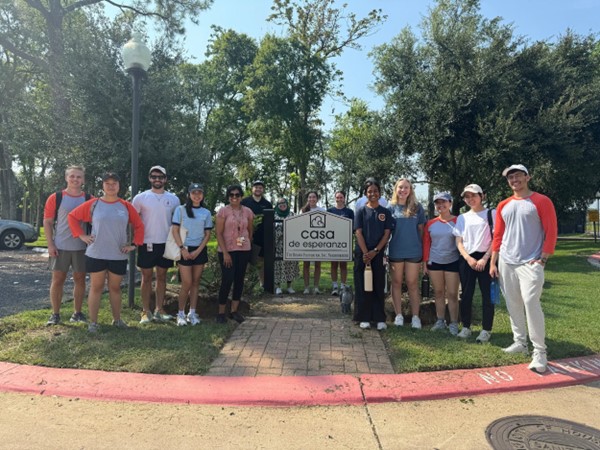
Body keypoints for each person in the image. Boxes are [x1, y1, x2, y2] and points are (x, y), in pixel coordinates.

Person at [490, 164, 557, 373]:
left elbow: (551, 231)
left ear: (528, 177)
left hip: (531, 262)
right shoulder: (504, 205)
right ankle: (520, 342)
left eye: (518, 176)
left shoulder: (541, 201)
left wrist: (543, 259)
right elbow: (498, 235)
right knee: (513, 303)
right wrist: (493, 261)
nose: (514, 180)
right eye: (510, 178)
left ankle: (540, 352)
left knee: (531, 303)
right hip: (507, 261)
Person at [68, 172, 144, 333]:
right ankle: (93, 322)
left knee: (115, 288)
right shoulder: (93, 204)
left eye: (114, 183)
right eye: (107, 183)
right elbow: (72, 217)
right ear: (102, 185)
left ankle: (117, 320)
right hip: (96, 253)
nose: (111, 186)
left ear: (119, 186)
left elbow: (139, 225)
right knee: (96, 287)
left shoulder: (125, 205)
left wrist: (134, 245)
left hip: (117, 254)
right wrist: (81, 235)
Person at [43, 165, 91, 325]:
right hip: (60, 246)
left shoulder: (89, 198)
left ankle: (77, 313)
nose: (75, 179)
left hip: (82, 247)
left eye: (78, 177)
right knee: (57, 279)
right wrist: (50, 245)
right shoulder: (55, 197)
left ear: (83, 180)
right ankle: (55, 314)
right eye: (72, 176)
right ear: (66, 178)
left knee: (80, 279)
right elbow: (48, 222)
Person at [132, 165, 180, 324]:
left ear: (165, 179)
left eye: (160, 177)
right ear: (149, 178)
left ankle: (160, 309)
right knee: (146, 277)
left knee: (161, 276)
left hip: (166, 244)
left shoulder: (174, 199)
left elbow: (178, 222)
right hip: (147, 243)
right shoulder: (140, 198)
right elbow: (133, 221)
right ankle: (145, 311)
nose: (157, 179)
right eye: (154, 176)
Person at [453, 184, 496, 343]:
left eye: (474, 196)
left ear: (482, 196)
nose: (470, 199)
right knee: (466, 294)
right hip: (467, 259)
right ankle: (466, 327)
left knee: (487, 296)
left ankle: (486, 329)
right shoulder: (462, 217)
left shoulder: (492, 213)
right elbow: (459, 241)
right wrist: (468, 258)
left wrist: (485, 258)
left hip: (487, 258)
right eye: (467, 196)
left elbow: (496, 239)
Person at [354, 179, 394, 330]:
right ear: (365, 194)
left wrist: (375, 251)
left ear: (380, 193)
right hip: (362, 255)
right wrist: (366, 253)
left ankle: (379, 318)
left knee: (378, 285)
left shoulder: (385, 212)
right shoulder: (360, 211)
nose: (373, 194)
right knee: (363, 285)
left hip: (378, 254)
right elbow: (358, 233)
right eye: (369, 191)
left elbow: (386, 234)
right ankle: (363, 317)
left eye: (375, 191)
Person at [171, 183, 213, 326]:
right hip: (184, 248)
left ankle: (192, 313)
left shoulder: (206, 213)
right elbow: (175, 230)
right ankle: (180, 313)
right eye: (194, 193)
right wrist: (183, 249)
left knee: (195, 283)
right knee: (186, 283)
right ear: (189, 194)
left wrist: (198, 251)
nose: (197, 195)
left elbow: (207, 235)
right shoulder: (180, 210)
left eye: (199, 192)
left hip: (199, 250)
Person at [387, 178, 427, 329]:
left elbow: (422, 231)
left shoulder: (417, 208)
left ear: (410, 190)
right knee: (396, 283)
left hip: (414, 252)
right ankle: (398, 315)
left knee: (412, 283)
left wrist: (424, 252)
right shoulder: (390, 208)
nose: (403, 190)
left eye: (406, 188)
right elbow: (386, 232)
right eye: (400, 187)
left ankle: (416, 317)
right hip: (396, 251)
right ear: (396, 189)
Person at [215, 184, 254, 324]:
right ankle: (220, 312)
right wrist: (225, 253)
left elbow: (250, 231)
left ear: (241, 196)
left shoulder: (248, 212)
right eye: (231, 195)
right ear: (228, 197)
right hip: (227, 251)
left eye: (237, 195)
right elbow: (218, 233)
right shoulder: (223, 212)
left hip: (243, 250)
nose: (234, 197)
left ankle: (234, 311)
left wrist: (247, 243)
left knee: (239, 280)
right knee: (227, 279)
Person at [423, 192, 460, 335]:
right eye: (437, 203)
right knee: (438, 292)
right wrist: (425, 262)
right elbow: (427, 243)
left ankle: (454, 323)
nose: (441, 205)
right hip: (435, 261)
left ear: (450, 203)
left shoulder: (458, 221)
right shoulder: (431, 223)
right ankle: (440, 321)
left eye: (444, 202)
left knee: (452, 293)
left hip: (453, 261)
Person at [241, 180, 273, 287]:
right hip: (245, 236)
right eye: (256, 187)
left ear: (263, 190)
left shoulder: (267, 204)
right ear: (252, 189)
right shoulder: (244, 202)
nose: (258, 189)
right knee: (245, 261)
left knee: (261, 262)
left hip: (261, 238)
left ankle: (262, 285)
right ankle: (245, 286)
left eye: (260, 187)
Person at [327, 190, 354, 295]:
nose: (339, 199)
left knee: (343, 265)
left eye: (341, 197)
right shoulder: (330, 211)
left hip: (345, 242)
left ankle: (343, 286)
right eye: (337, 197)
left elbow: (352, 227)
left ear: (344, 198)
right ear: (335, 198)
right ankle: (334, 286)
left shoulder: (349, 212)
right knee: (333, 264)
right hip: (332, 241)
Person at [301, 191, 326, 294]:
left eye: (314, 197)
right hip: (306, 241)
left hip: (318, 242)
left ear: (317, 198)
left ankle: (316, 287)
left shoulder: (322, 210)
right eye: (310, 197)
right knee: (306, 265)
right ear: (307, 198)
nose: (312, 199)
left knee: (317, 265)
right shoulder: (303, 210)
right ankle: (306, 287)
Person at [273, 198, 299, 295]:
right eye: (279, 203)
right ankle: (278, 287)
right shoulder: (274, 214)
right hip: (278, 245)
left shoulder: (292, 214)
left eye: (284, 203)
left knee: (290, 265)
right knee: (278, 265)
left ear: (287, 204)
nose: (282, 205)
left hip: (290, 244)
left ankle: (289, 286)